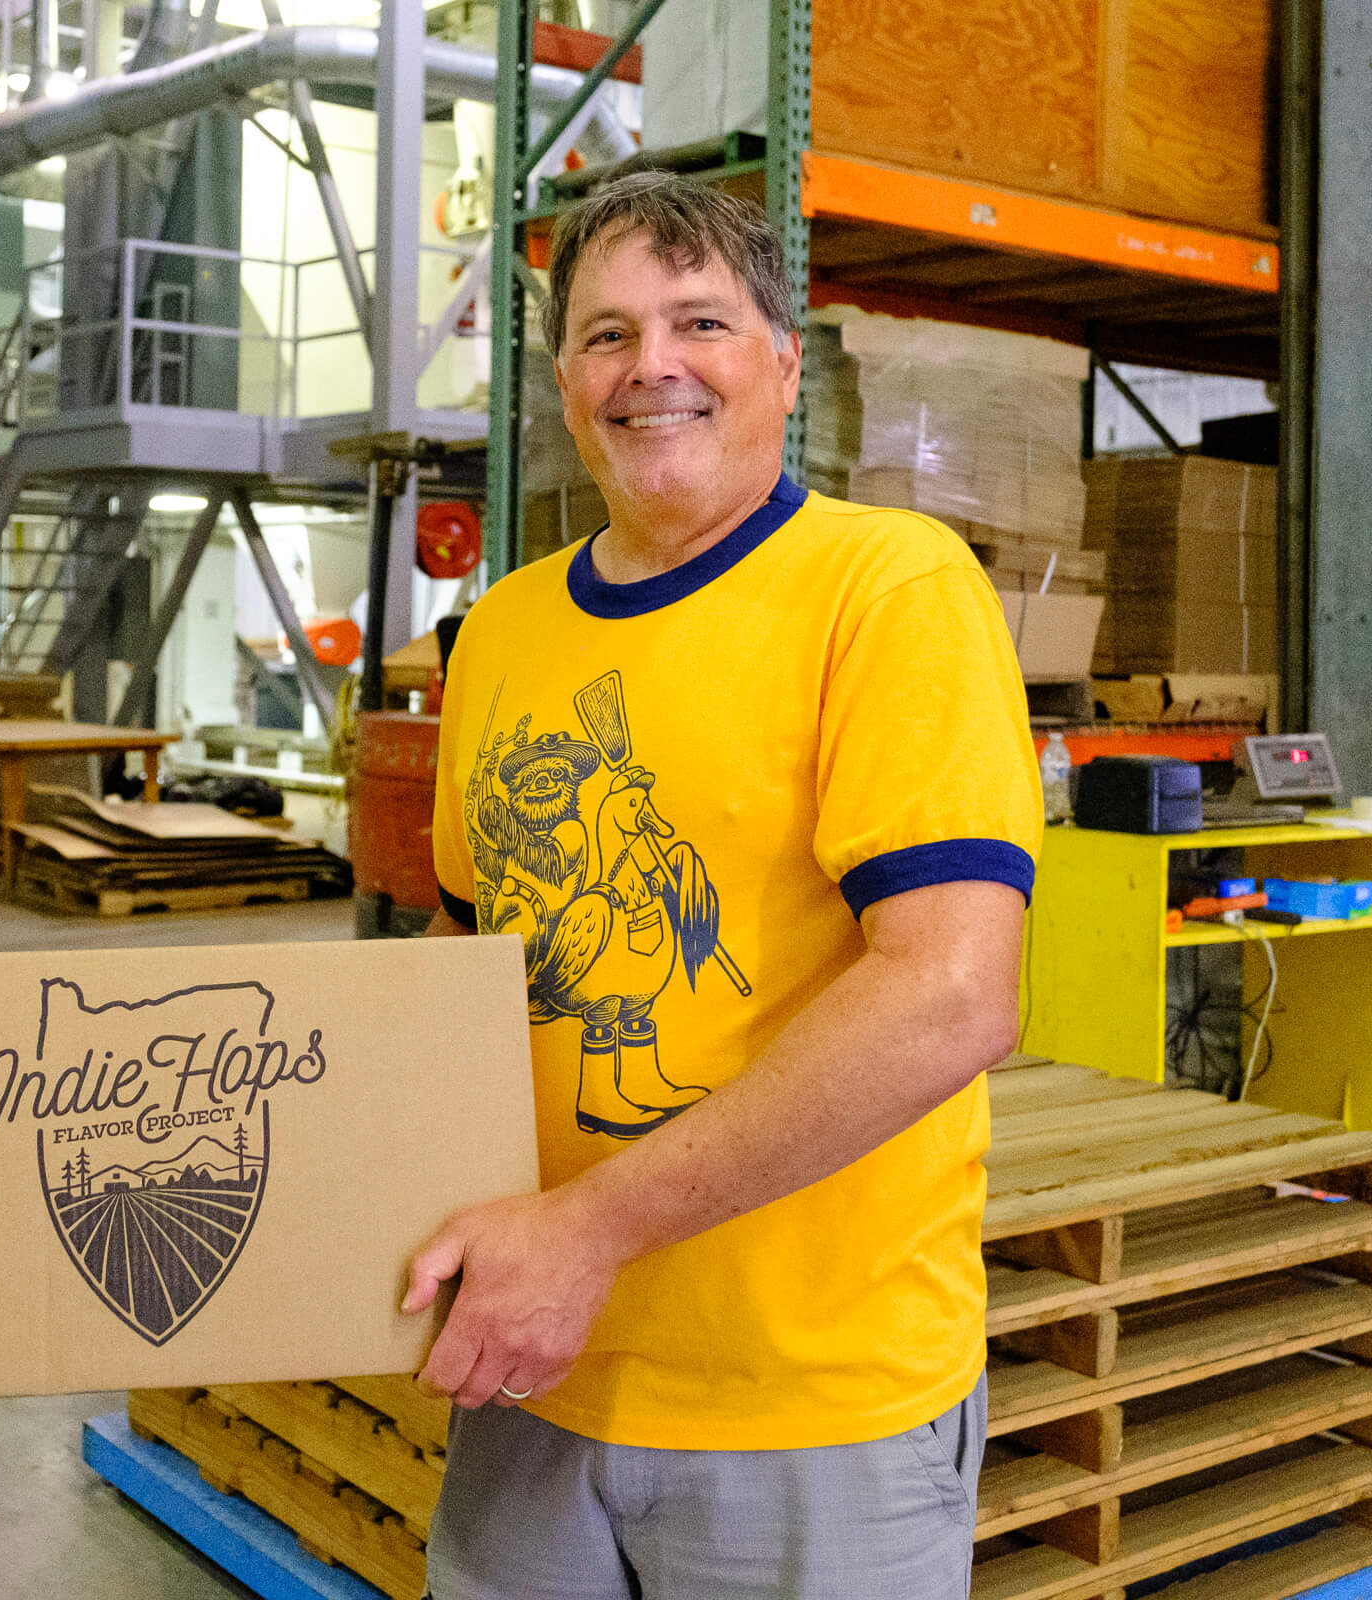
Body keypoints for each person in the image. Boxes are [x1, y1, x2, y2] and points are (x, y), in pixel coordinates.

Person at [402, 169, 1041, 1597]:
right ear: (565, 379)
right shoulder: (501, 631)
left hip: (812, 1414)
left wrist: (586, 1232)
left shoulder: (887, 587)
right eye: (610, 334)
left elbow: (951, 996)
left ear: (783, 363)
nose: (654, 369)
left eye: (701, 322)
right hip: (533, 1374)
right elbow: (465, 968)